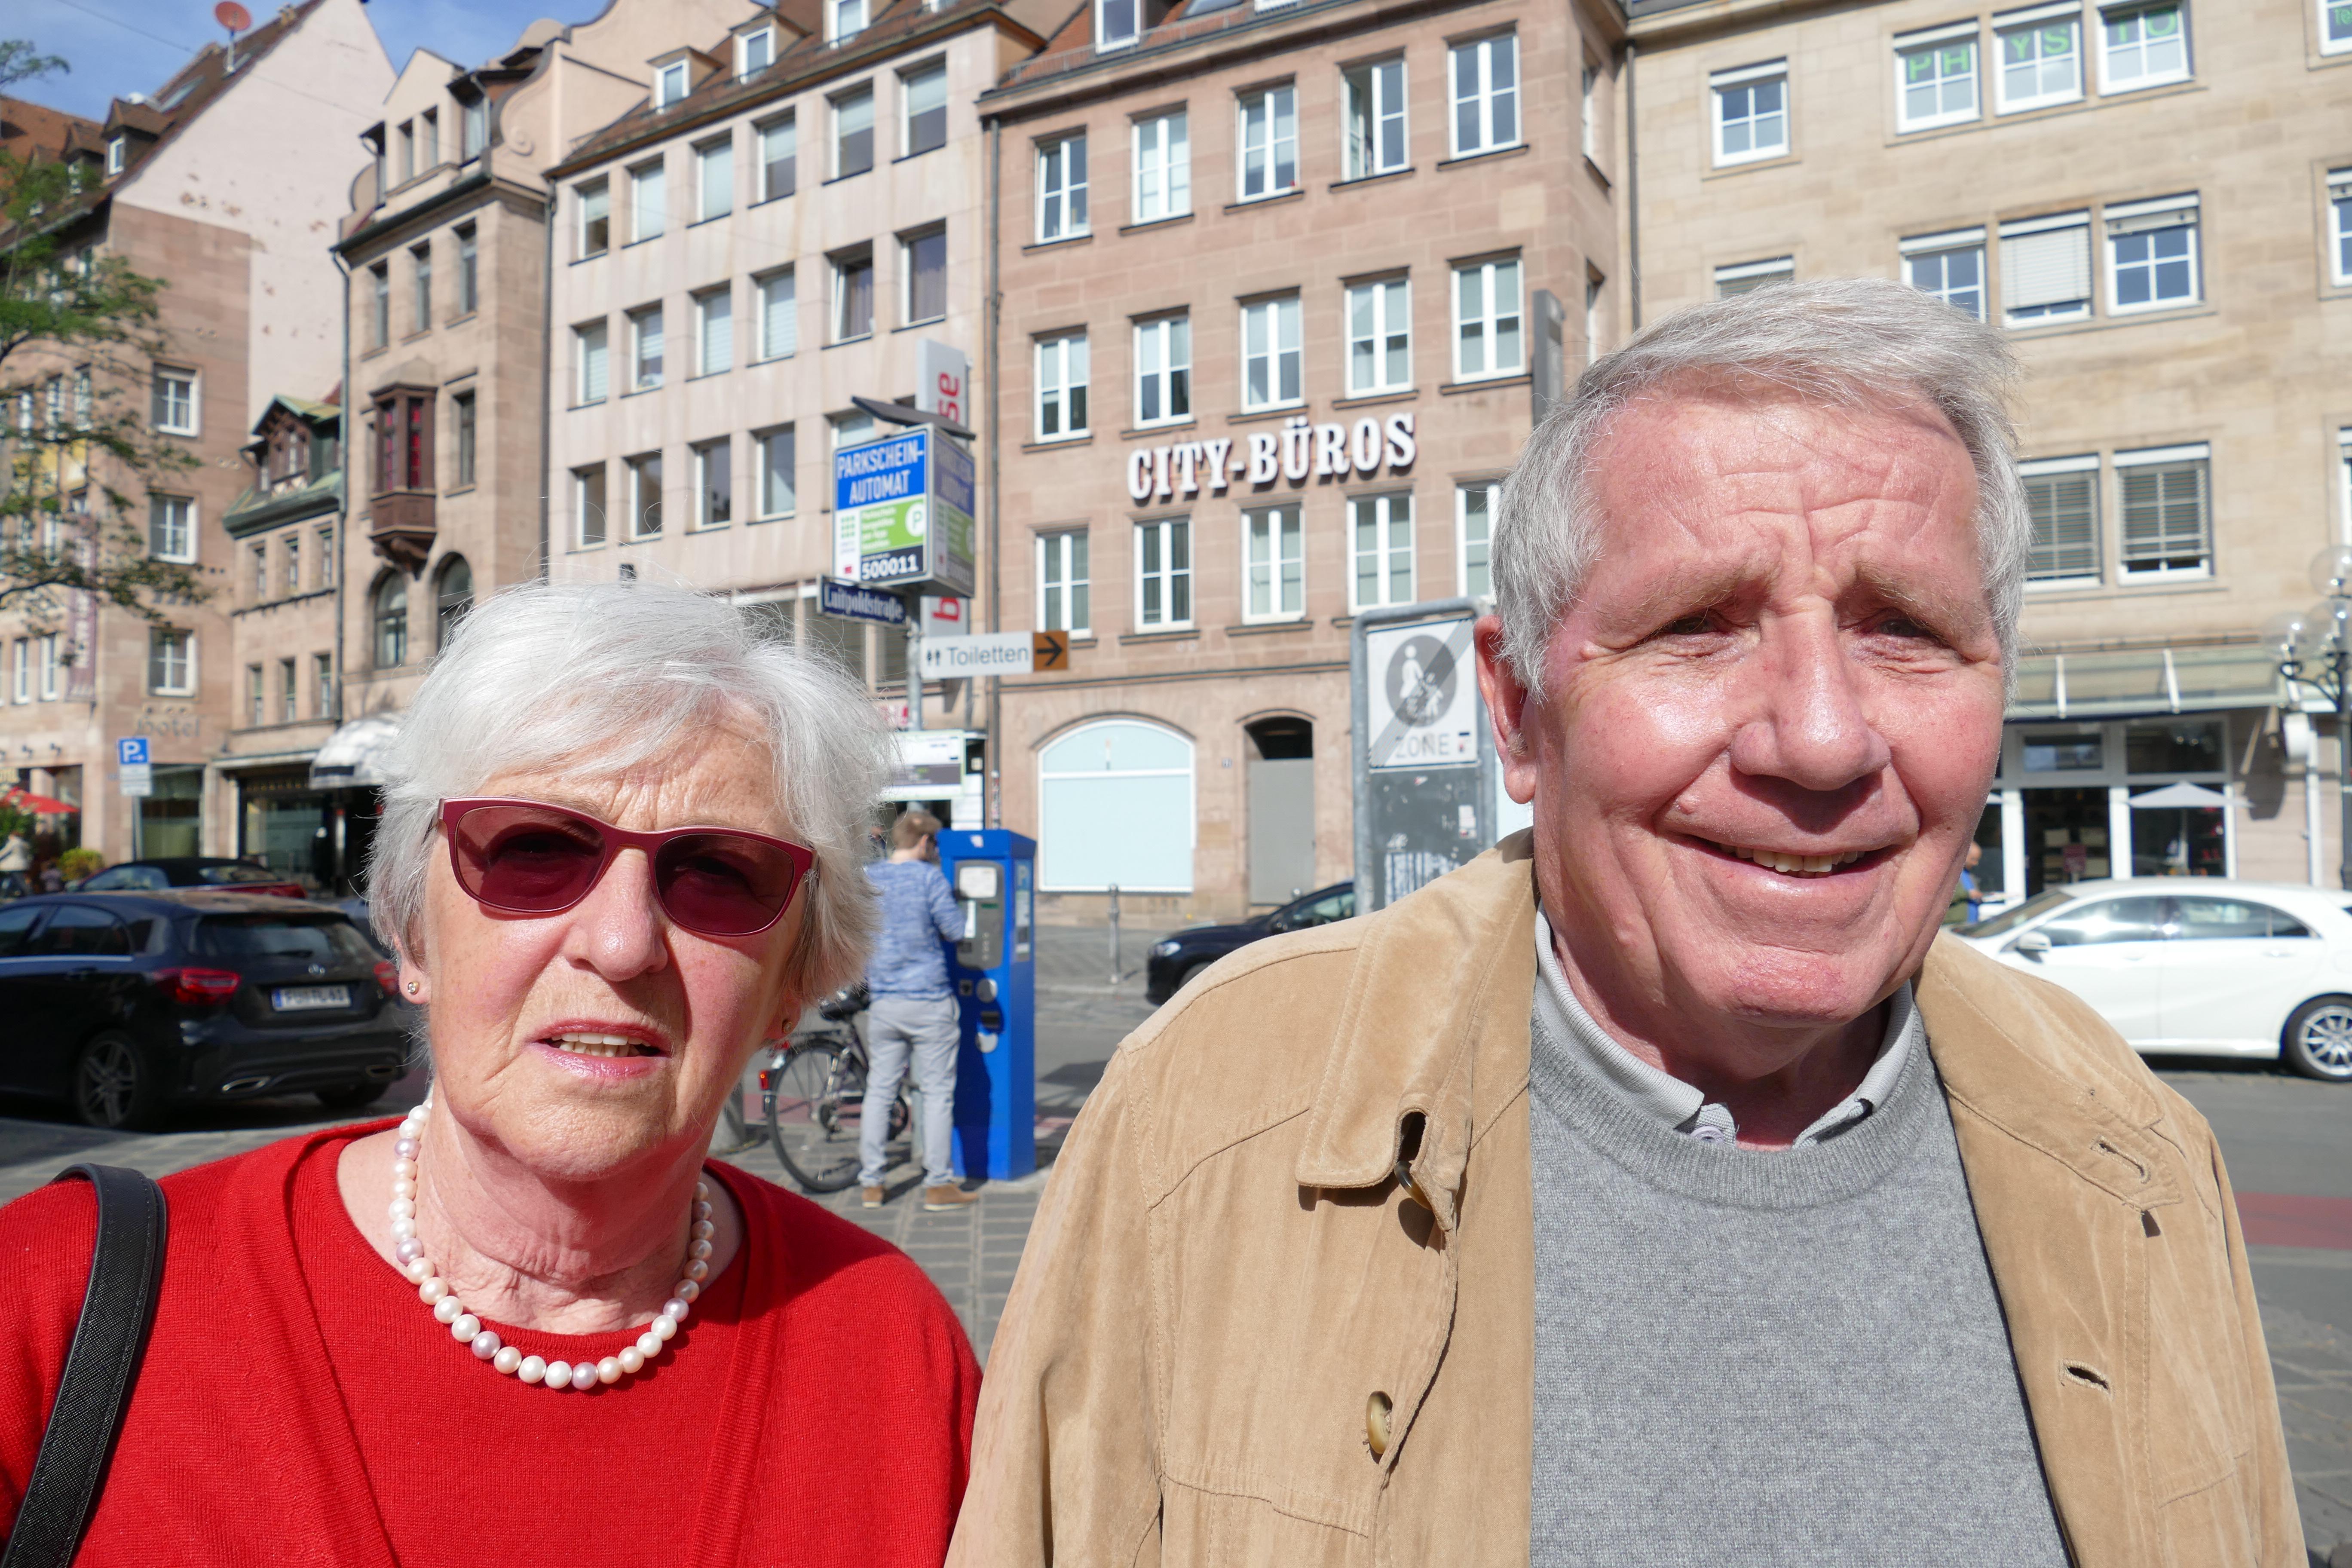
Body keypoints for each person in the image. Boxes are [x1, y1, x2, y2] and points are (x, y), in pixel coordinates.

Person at [951, 281, 2300, 1567]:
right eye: (1698, 628)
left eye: (1905, 630)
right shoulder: (1213, 1110)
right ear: (1521, 709)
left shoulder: (2131, 1144)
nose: (1822, 740)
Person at [0, 582, 980, 1563]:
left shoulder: (894, 1352)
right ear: (410, 929)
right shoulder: (55, 1298)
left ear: (791, 985)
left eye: (718, 872)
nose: (622, 941)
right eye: (535, 850)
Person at [859, 807, 973, 1212]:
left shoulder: (871, 878)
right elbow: (956, 931)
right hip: (928, 1000)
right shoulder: (929, 878)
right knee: (937, 1093)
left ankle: (872, 1183)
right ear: (924, 842)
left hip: (886, 1003)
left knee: (880, 1090)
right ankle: (938, 1185)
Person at [0, 831, 28, 898]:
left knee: (19, 881)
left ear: (12, 836)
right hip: (21, 866)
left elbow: (5, 852)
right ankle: (7, 894)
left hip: (14, 866)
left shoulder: (14, 842)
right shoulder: (23, 843)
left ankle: (28, 894)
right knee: (12, 880)